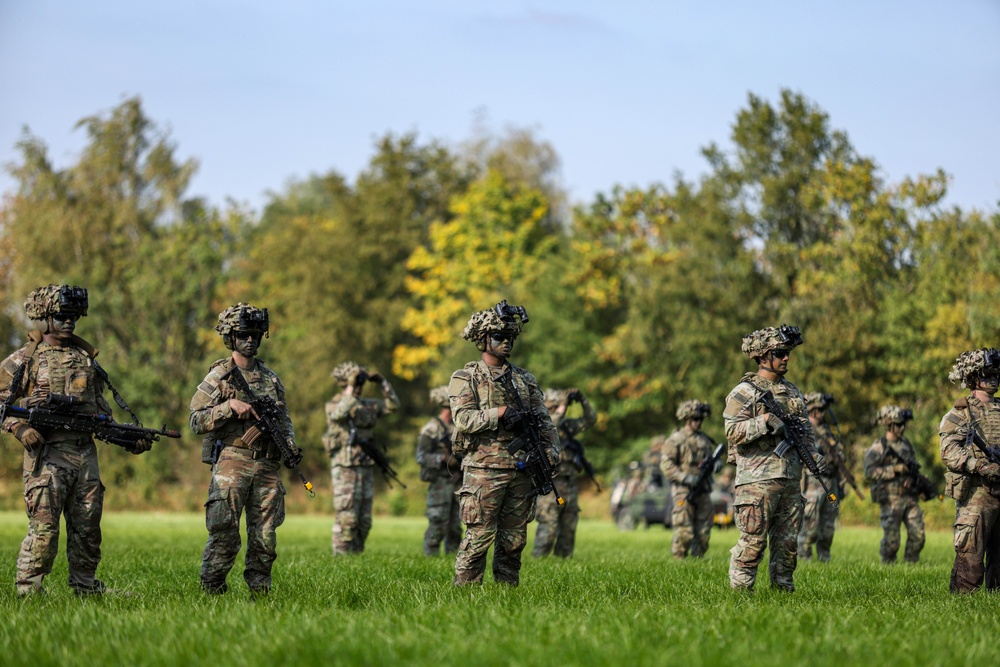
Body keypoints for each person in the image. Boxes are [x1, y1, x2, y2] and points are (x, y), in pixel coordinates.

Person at [0, 285, 151, 597]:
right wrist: (18, 428)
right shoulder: (23, 360)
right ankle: (28, 591)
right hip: (46, 457)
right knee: (44, 529)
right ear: (42, 317)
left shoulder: (85, 360)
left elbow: (100, 412)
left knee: (87, 527)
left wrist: (128, 439)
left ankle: (85, 586)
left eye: (73, 316)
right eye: (61, 315)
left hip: (84, 455)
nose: (69, 321)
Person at [191, 302, 299, 594]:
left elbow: (284, 418)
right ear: (230, 337)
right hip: (232, 461)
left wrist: (289, 442)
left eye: (255, 334)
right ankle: (211, 588)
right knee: (224, 532)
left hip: (267, 464)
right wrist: (229, 407)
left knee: (265, 536)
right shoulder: (219, 376)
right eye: (243, 335)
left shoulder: (271, 378)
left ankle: (260, 592)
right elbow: (195, 420)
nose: (250, 340)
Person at [449, 300, 558, 586]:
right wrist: (498, 414)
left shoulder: (524, 379)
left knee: (514, 540)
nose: (506, 342)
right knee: (478, 538)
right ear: (483, 340)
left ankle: (507, 596)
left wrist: (551, 453)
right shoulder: (466, 377)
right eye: (499, 336)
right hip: (484, 471)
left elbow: (544, 421)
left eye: (510, 337)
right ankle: (464, 597)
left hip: (522, 470)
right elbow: (463, 419)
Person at [723, 324, 826, 592]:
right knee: (753, 541)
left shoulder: (793, 392)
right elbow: (732, 431)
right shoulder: (743, 392)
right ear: (764, 356)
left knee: (788, 544)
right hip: (757, 481)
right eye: (780, 352)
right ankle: (740, 595)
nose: (786, 357)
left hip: (790, 479)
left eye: (788, 352)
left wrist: (813, 455)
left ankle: (783, 594)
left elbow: (805, 432)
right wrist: (765, 421)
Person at [323, 361, 400, 555]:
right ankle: (340, 556)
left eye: (360, 384)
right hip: (345, 466)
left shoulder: (368, 405)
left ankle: (356, 556)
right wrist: (350, 387)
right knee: (347, 516)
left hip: (365, 465)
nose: (358, 387)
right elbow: (340, 413)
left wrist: (383, 382)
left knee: (364, 520)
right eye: (355, 384)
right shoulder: (334, 404)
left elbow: (393, 405)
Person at [939, 348, 1000, 592]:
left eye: (996, 373)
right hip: (977, 495)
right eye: (988, 373)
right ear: (973, 377)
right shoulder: (959, 413)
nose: (994, 378)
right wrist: (980, 465)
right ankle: (962, 615)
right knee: (969, 565)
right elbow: (948, 451)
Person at [532, 387, 598, 558]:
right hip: (550, 484)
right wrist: (561, 406)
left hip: (570, 483)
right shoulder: (539, 424)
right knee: (549, 526)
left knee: (569, 526)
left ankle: (563, 559)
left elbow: (591, 420)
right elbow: (550, 425)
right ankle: (539, 559)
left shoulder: (567, 427)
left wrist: (583, 400)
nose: (561, 410)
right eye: (554, 408)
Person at [863, 405, 925, 564]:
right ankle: (888, 566)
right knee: (892, 541)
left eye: (903, 424)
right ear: (889, 425)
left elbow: (913, 469)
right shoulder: (879, 447)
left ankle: (911, 564)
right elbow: (869, 472)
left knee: (918, 535)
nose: (902, 428)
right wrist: (894, 470)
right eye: (898, 425)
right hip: (890, 498)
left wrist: (913, 480)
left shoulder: (907, 445)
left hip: (909, 496)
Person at [660, 400, 716, 559]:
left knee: (704, 530)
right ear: (687, 419)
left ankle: (698, 560)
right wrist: (684, 477)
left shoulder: (704, 440)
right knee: (684, 530)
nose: (698, 423)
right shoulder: (676, 439)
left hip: (703, 489)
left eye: (700, 420)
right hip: (684, 490)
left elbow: (709, 460)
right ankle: (679, 559)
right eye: (695, 419)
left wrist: (715, 464)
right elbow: (666, 463)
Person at [797, 392, 846, 562]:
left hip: (830, 481)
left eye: (823, 409)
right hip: (812, 482)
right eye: (818, 409)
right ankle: (804, 557)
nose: (821, 413)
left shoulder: (827, 431)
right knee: (810, 524)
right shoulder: (804, 428)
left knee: (828, 526)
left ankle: (825, 557)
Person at [417, 385, 462, 556]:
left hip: (457, 481)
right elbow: (421, 456)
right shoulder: (431, 429)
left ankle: (453, 557)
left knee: (455, 525)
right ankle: (430, 555)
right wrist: (442, 459)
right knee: (437, 522)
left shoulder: (457, 428)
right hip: (440, 482)